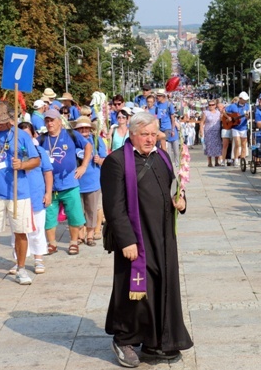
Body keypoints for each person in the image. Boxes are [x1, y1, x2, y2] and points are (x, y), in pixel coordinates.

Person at [101, 112, 192, 366]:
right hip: (136, 240)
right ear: (132, 134)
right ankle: (124, 339)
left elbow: (173, 188)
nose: (150, 139)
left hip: (163, 238)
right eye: (145, 135)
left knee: (160, 288)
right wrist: (126, 240)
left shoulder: (161, 156)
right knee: (134, 292)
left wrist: (182, 202)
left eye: (153, 134)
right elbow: (114, 207)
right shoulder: (116, 162)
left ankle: (157, 340)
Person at [0, 101, 41, 286]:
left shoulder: (20, 135)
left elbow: (36, 160)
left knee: (21, 231)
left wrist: (22, 165)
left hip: (18, 192)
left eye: (2, 120)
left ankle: (21, 269)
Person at [40, 108, 92, 256]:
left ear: (59, 122)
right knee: (49, 216)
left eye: (52, 120)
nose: (50, 123)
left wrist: (83, 166)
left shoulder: (70, 134)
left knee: (74, 215)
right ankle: (52, 244)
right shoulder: (42, 139)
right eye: (47, 120)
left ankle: (74, 242)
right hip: (49, 187)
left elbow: (88, 146)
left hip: (70, 184)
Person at [13, 122, 53, 275]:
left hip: (36, 196)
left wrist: (48, 193)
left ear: (34, 135)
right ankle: (19, 261)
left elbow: (48, 172)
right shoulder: (13, 153)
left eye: (27, 135)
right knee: (17, 231)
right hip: (19, 196)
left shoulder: (39, 151)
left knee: (37, 229)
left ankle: (38, 259)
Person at [74, 116, 107, 247]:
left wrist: (99, 160)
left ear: (90, 129)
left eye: (86, 128)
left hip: (93, 180)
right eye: (80, 128)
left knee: (92, 210)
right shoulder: (73, 141)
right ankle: (80, 235)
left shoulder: (96, 140)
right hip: (76, 180)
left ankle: (90, 235)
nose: (83, 130)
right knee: (77, 210)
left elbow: (106, 160)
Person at [225, 92, 251, 166]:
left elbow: (250, 116)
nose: (245, 101)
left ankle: (242, 160)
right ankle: (236, 159)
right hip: (235, 127)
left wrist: (248, 117)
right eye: (244, 99)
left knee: (243, 144)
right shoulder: (233, 106)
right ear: (240, 99)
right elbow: (224, 111)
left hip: (244, 127)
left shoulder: (248, 106)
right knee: (237, 143)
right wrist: (228, 117)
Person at [199, 100, 221, 167]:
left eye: (212, 105)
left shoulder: (218, 112)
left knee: (217, 146)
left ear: (215, 105)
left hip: (217, 131)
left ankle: (217, 162)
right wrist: (201, 131)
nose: (211, 106)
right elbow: (202, 122)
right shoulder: (205, 113)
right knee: (209, 146)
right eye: (210, 105)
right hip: (208, 132)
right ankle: (209, 162)